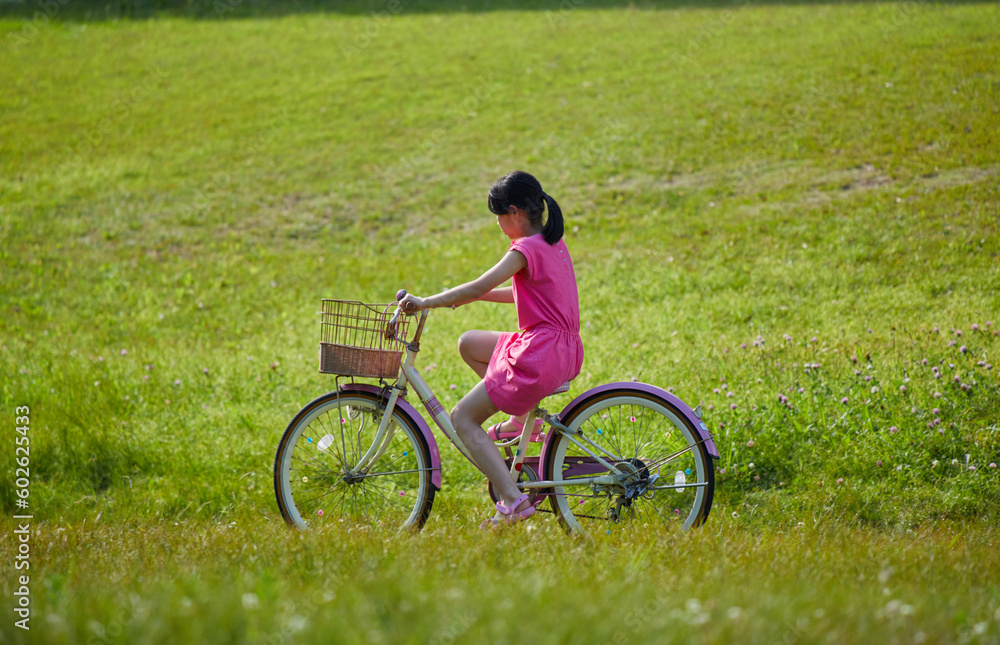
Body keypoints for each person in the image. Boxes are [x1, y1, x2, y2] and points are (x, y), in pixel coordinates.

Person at [399, 170, 584, 528]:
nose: (498, 225)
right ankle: (522, 421)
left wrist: (426, 302)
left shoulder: (524, 248)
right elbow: (519, 293)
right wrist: (470, 298)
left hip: (540, 354)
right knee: (470, 343)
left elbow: (479, 284)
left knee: (463, 418)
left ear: (514, 212)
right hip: (563, 349)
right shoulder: (551, 243)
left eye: (498, 216)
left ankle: (514, 502)